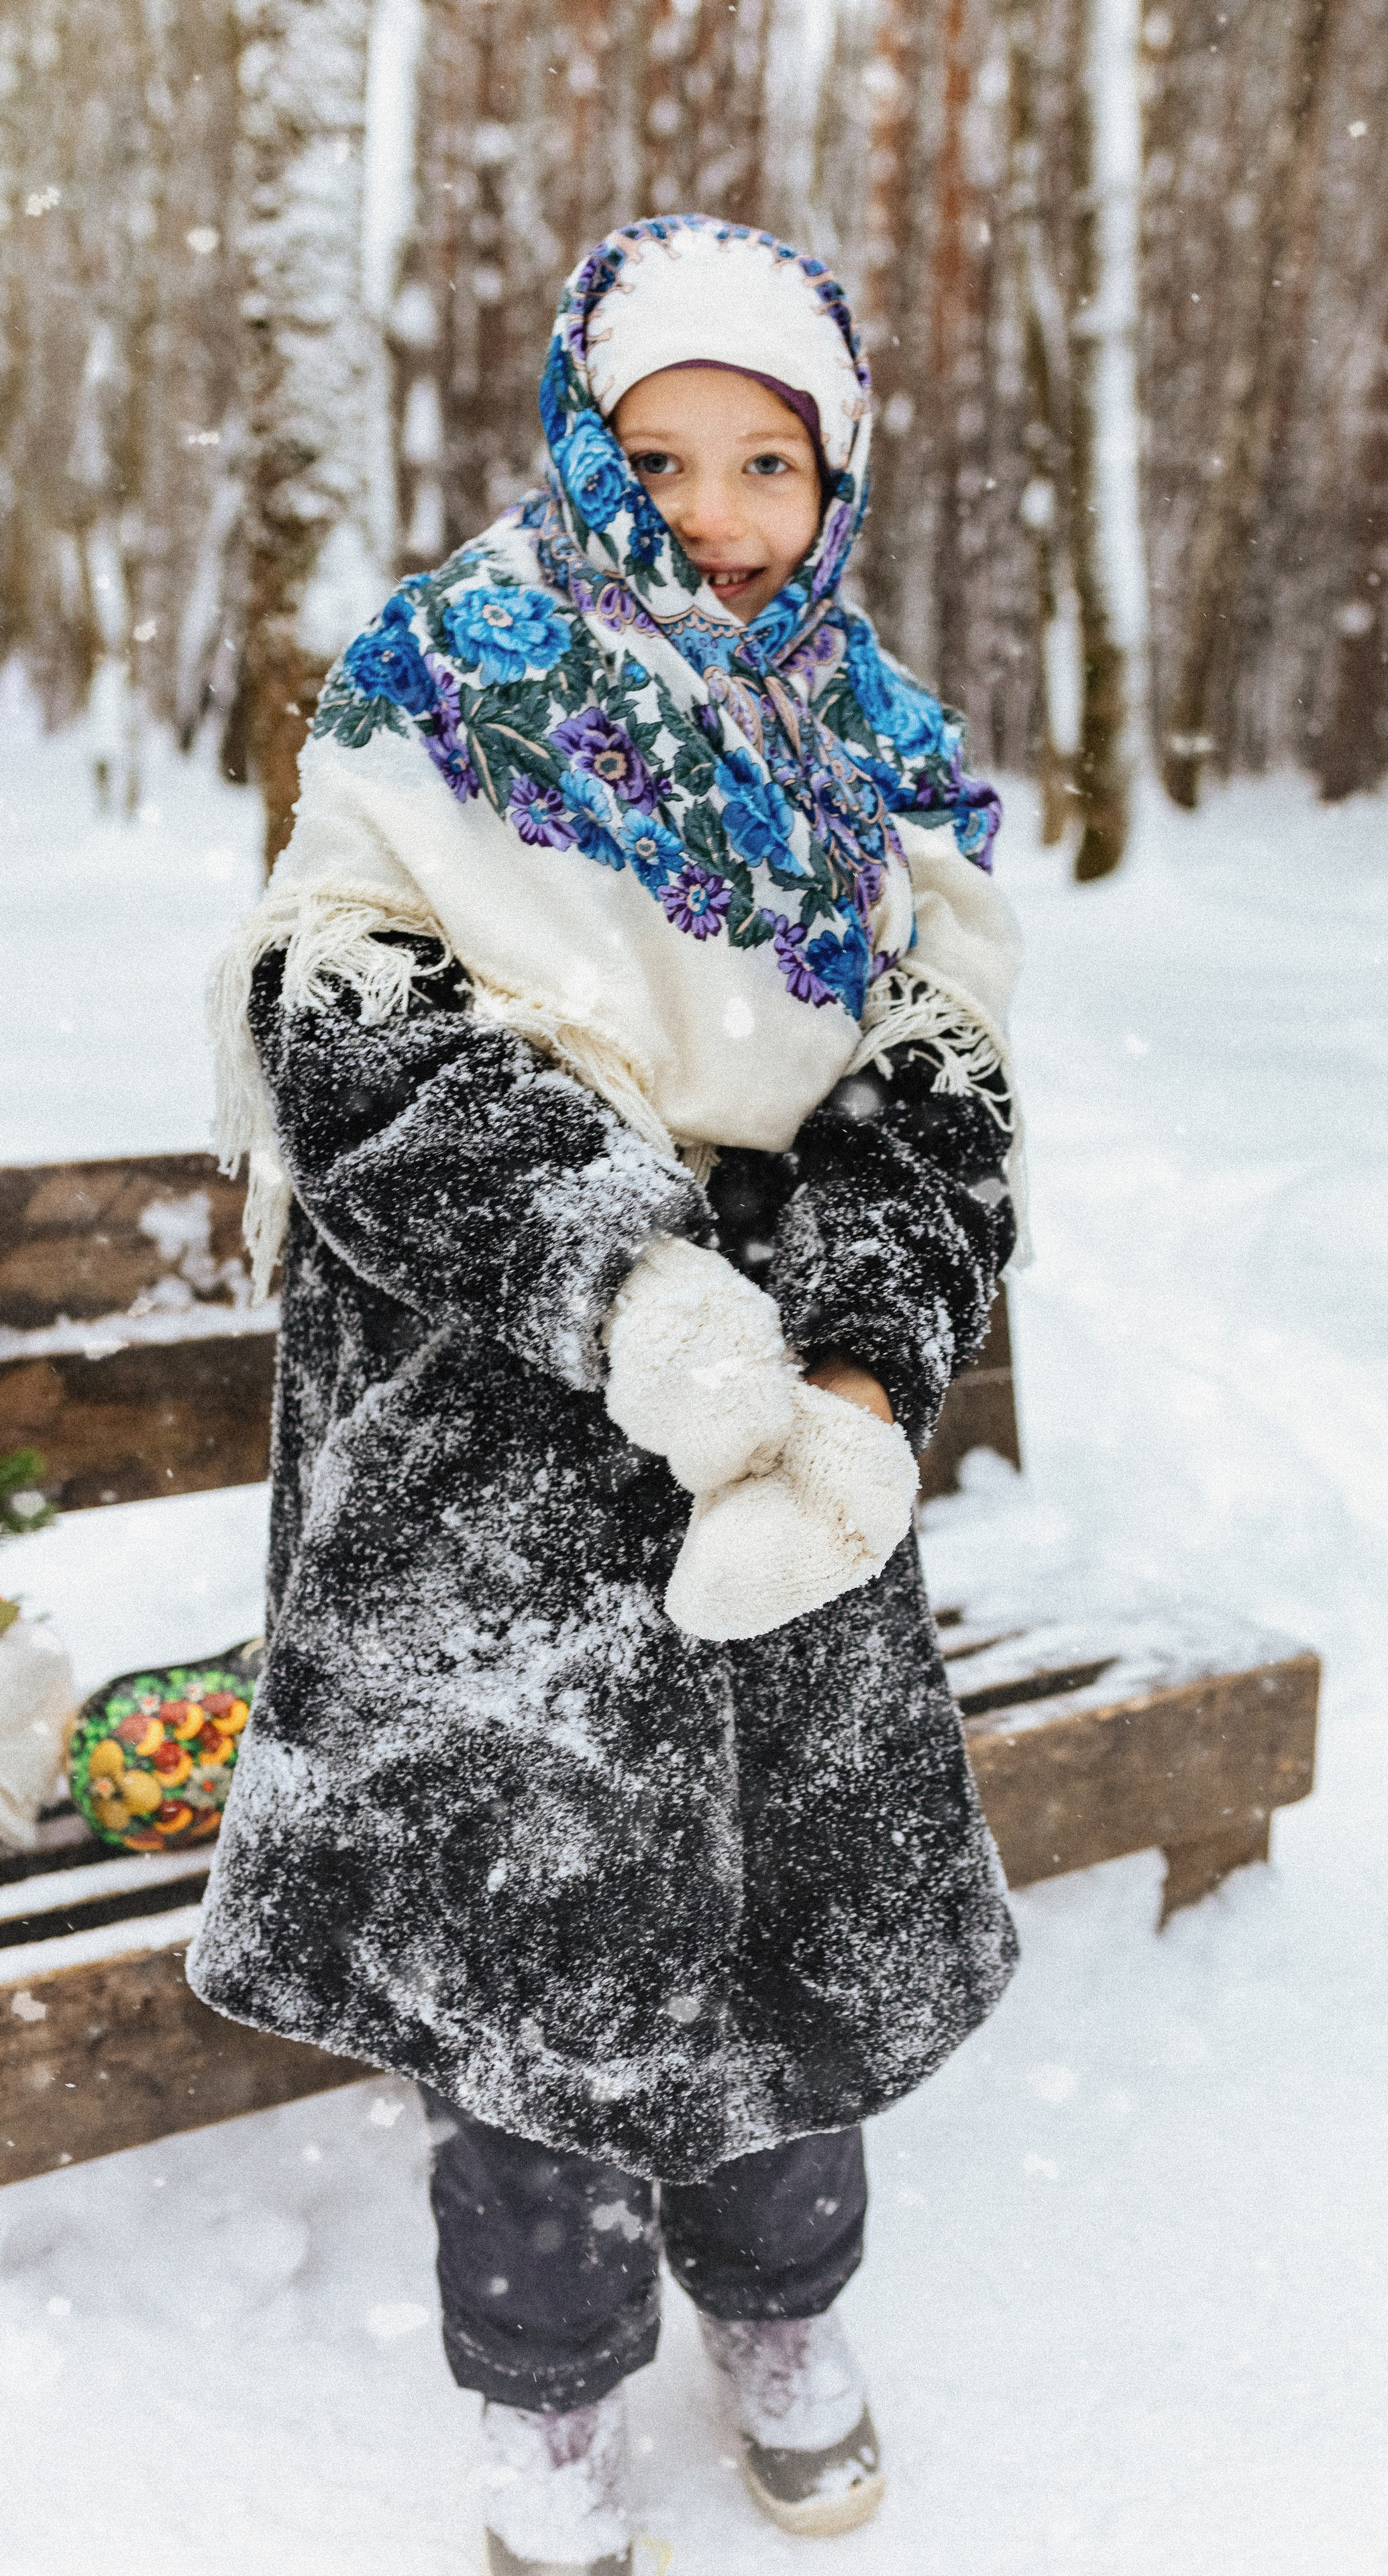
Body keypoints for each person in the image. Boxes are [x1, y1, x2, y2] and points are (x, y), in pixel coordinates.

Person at [190, 213, 1025, 2576]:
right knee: (535, 1977)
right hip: (499, 1476)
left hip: (780, 1484)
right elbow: (346, 1033)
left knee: (785, 1949)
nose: (715, 513)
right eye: (659, 454)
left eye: (768, 461)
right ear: (577, 441)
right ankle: (546, 2395)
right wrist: (624, 1276)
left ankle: (781, 2309)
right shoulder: (452, 682)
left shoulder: (874, 747)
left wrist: (851, 1375)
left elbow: (941, 1084)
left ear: (836, 474)